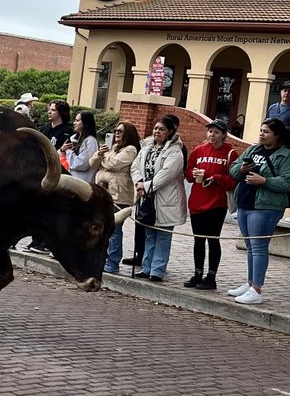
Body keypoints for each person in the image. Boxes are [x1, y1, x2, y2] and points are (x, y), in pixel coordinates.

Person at [228, 119, 290, 304]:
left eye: (266, 131)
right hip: (245, 203)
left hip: (266, 207)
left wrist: (265, 181)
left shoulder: (286, 156)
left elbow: (288, 181)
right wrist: (242, 169)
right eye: (260, 130)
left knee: (259, 247)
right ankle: (250, 282)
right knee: (250, 247)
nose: (261, 134)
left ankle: (257, 289)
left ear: (277, 135)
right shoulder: (253, 149)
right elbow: (234, 169)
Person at [183, 120, 238, 289]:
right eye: (209, 131)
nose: (211, 135)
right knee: (198, 240)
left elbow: (233, 181)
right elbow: (188, 174)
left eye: (216, 132)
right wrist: (193, 173)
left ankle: (211, 276)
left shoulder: (231, 153)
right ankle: (197, 273)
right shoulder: (199, 150)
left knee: (213, 240)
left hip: (217, 204)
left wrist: (214, 177)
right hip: (197, 202)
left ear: (223, 134)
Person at [133, 114, 186, 282]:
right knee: (150, 234)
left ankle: (157, 270)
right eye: (155, 128)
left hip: (166, 199)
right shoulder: (147, 147)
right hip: (147, 198)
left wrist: (147, 186)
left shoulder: (175, 151)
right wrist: (139, 183)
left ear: (170, 131)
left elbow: (167, 174)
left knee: (163, 235)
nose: (157, 132)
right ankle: (146, 266)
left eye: (161, 129)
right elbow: (135, 166)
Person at [92, 121, 140, 275]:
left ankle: (113, 261)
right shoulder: (112, 148)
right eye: (115, 131)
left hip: (119, 196)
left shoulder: (131, 150)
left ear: (128, 134)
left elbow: (114, 164)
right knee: (102, 228)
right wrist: (99, 154)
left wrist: (103, 158)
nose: (117, 133)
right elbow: (92, 163)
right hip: (103, 193)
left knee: (114, 229)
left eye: (120, 131)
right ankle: (102, 257)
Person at [64, 110, 99, 183]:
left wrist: (68, 151)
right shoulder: (74, 138)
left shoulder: (90, 141)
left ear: (85, 123)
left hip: (82, 183)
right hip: (71, 179)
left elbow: (82, 164)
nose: (74, 123)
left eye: (77, 121)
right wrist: (62, 149)